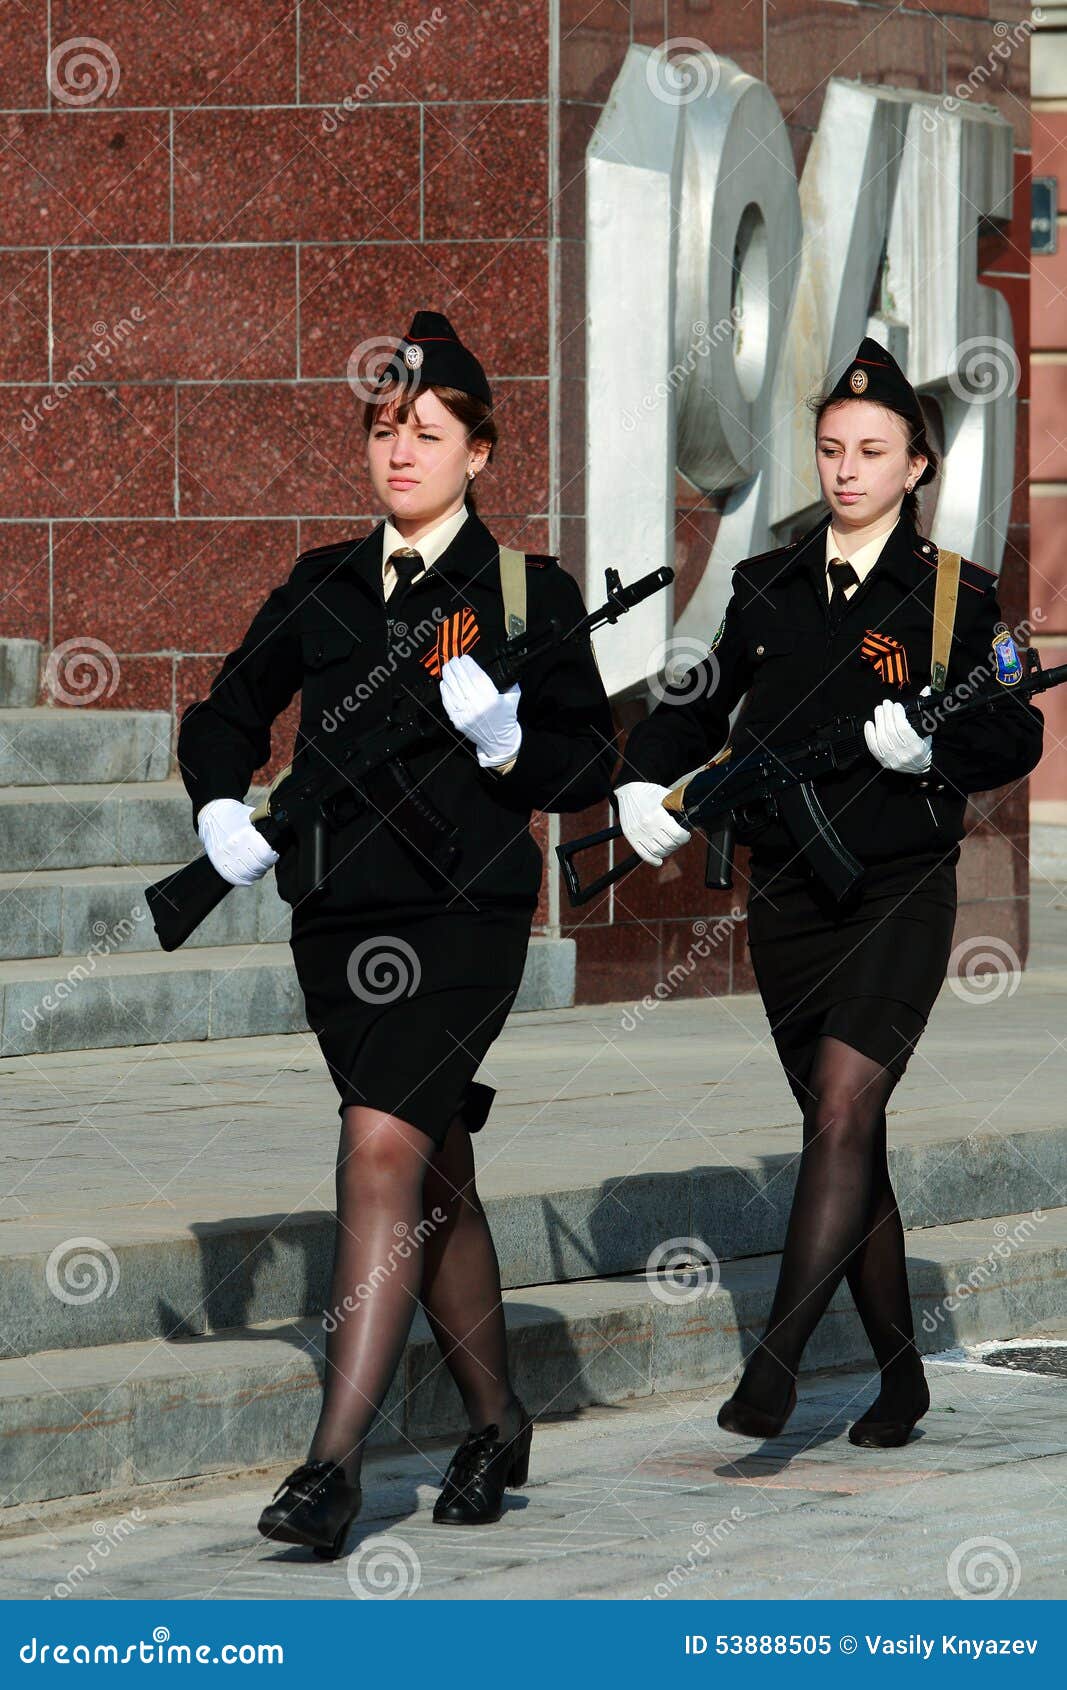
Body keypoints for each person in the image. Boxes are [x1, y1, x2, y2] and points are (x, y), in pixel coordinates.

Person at [177, 311, 615, 1556]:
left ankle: (334, 1468)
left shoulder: (527, 592)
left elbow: (587, 754)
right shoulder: (320, 582)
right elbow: (227, 709)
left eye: (428, 431)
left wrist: (509, 744)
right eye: (384, 430)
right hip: (340, 917)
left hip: (465, 911)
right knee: (430, 1170)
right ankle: (493, 1418)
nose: (401, 451)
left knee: (378, 1149)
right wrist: (218, 802)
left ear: (480, 450)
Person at [614, 337, 1043, 1448]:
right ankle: (899, 1379)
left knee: (845, 1108)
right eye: (829, 449)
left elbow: (1015, 726)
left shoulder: (955, 596)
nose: (845, 469)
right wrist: (639, 780)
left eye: (870, 451)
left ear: (915, 467)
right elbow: (686, 706)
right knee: (841, 1133)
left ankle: (778, 1362)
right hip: (790, 901)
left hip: (897, 892)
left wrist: (930, 756)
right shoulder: (762, 588)